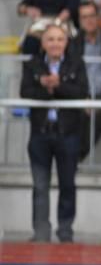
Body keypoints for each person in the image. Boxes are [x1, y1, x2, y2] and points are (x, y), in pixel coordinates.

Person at [21, 23, 89, 243]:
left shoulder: (76, 64)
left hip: (67, 134)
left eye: (59, 39)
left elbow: (81, 92)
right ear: (43, 43)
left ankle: (65, 231)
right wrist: (45, 86)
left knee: (67, 184)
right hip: (40, 133)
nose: (55, 44)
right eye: (50, 39)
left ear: (66, 42)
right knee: (40, 185)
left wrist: (57, 85)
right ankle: (41, 232)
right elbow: (25, 91)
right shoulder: (32, 64)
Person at [71, 0, 101, 159]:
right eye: (84, 17)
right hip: (81, 93)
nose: (89, 20)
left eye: (91, 16)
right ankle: (72, 158)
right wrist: (84, 98)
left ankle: (76, 157)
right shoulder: (73, 43)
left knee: (100, 114)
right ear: (79, 20)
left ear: (98, 17)